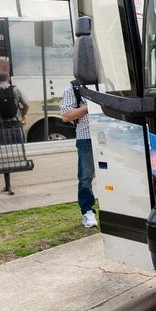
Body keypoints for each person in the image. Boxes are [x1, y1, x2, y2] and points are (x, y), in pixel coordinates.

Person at [61, 80, 97, 228]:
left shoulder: (107, 79)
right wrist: (91, 107)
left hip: (112, 134)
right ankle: (87, 212)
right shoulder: (74, 87)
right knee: (86, 177)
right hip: (86, 137)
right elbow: (66, 115)